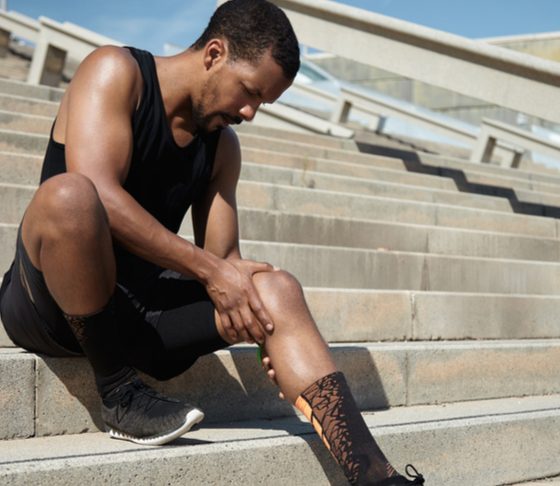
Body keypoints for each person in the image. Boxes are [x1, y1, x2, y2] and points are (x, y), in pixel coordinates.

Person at [0, 1, 424, 484]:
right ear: (214, 54)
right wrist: (210, 269)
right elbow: (101, 192)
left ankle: (375, 475)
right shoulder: (116, 72)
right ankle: (119, 393)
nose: (250, 113)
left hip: (141, 317)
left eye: (262, 104)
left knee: (276, 289)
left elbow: (226, 265)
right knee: (72, 197)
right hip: (50, 308)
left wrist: (262, 321)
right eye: (250, 92)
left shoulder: (222, 147)